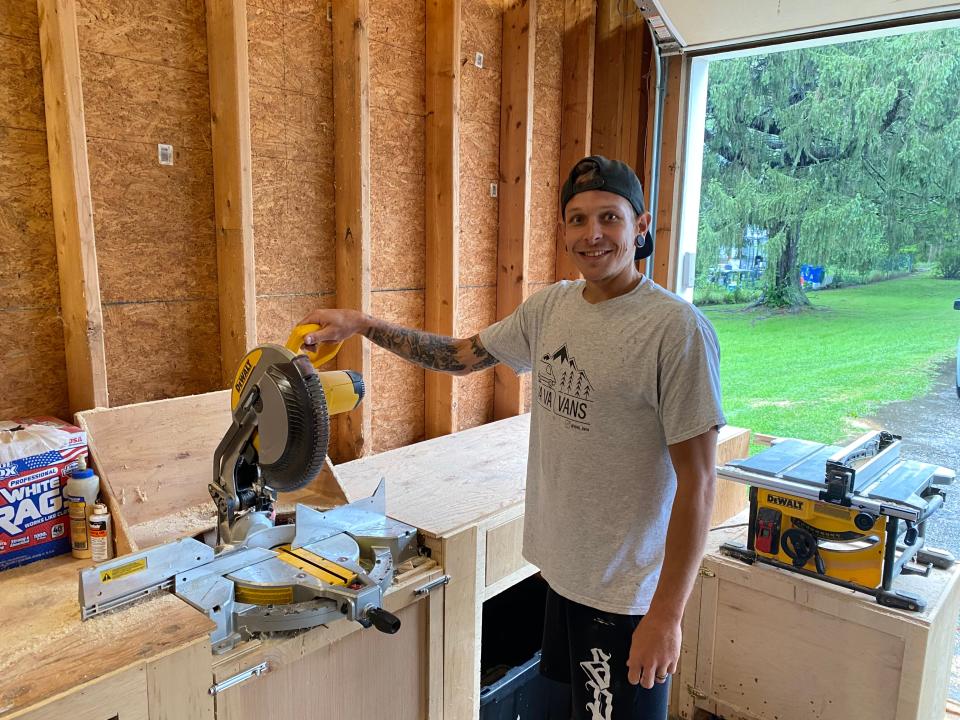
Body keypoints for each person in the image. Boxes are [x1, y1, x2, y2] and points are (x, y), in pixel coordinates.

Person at [299, 156, 725, 720]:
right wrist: (363, 324)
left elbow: (699, 483)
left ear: (640, 226)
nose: (592, 235)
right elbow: (457, 356)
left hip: (625, 598)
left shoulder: (675, 330)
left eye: (609, 218)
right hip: (563, 576)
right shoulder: (551, 308)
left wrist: (666, 615)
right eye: (577, 220)